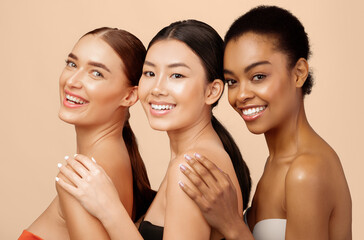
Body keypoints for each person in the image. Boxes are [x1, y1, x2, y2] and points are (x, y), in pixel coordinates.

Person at [55, 20, 251, 240]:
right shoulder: (199, 157)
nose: (157, 88)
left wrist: (110, 209)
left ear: (212, 91)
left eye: (177, 75)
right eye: (149, 73)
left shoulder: (190, 169)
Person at [178, 5, 352, 240]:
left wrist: (232, 225)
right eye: (232, 81)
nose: (241, 95)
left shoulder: (306, 171)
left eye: (258, 76)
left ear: (299, 73)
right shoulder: (276, 162)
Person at [18, 27, 155, 240]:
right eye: (72, 64)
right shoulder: (117, 159)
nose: (72, 80)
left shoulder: (83, 177)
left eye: (96, 73)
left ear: (129, 96)